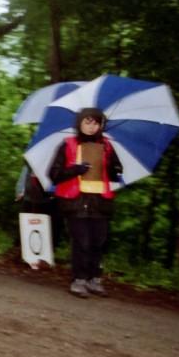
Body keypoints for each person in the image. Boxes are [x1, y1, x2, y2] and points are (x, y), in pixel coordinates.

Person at [49, 107, 123, 298]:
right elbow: (54, 175)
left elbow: (115, 174)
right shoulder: (68, 144)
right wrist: (75, 170)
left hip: (100, 201)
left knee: (99, 242)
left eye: (96, 123)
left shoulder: (107, 146)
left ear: (101, 125)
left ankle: (93, 279)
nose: (91, 127)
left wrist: (115, 168)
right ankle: (78, 280)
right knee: (82, 241)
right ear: (79, 123)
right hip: (75, 200)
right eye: (87, 122)